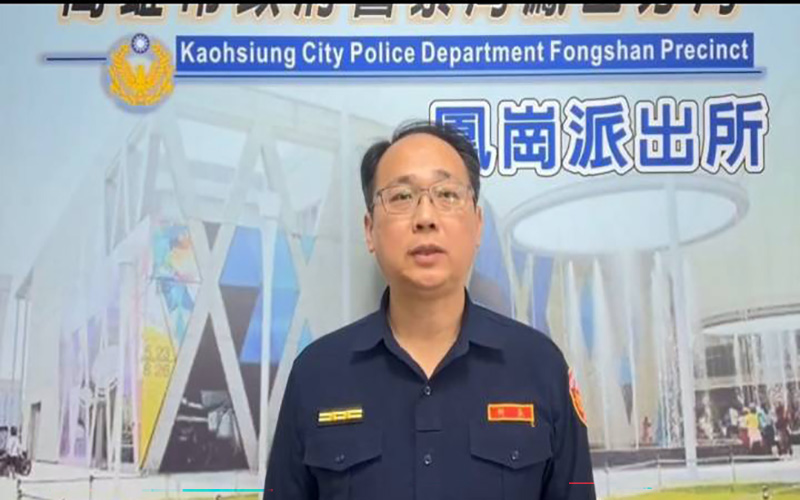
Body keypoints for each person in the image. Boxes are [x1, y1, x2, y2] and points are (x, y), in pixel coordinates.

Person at [263, 121, 596, 499]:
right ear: (370, 230)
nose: (425, 217)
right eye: (402, 196)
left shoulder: (540, 368)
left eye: (447, 194)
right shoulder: (316, 375)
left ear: (478, 226)